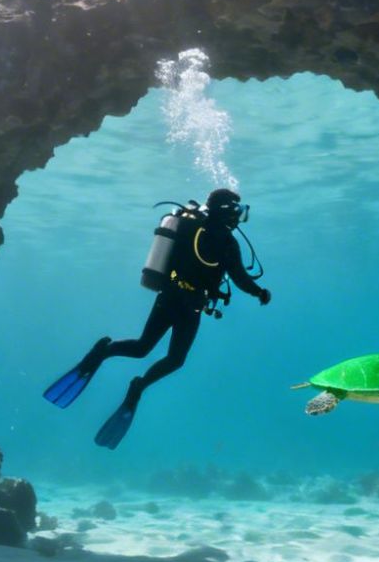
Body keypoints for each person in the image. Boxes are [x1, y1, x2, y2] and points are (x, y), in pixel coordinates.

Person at [44, 187, 271, 448]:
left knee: (143, 347)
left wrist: (182, 283)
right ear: (227, 211)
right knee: (175, 360)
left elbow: (173, 263)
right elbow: (240, 277)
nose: (239, 218)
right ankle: (137, 386)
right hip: (191, 304)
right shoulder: (227, 243)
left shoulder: (187, 226)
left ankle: (104, 352)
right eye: (238, 212)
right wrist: (260, 292)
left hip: (170, 297)